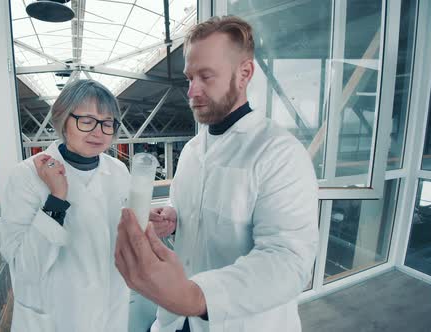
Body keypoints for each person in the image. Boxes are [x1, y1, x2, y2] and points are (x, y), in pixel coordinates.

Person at [114, 16, 319, 332]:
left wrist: (195, 296)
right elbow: (197, 216)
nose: (191, 91)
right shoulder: (194, 150)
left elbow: (289, 262)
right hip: (177, 321)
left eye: (206, 76)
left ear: (244, 73)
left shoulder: (280, 153)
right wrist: (175, 219)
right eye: (189, 77)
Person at [0, 79, 131, 332]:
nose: (98, 132)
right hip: (57, 316)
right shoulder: (26, 175)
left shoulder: (119, 171)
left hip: (110, 312)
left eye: (107, 123)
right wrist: (56, 199)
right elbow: (25, 266)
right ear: (62, 120)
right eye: (87, 120)